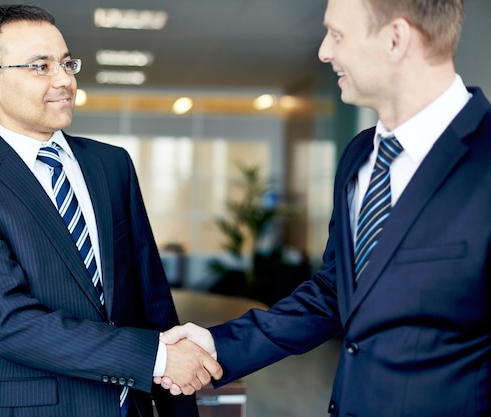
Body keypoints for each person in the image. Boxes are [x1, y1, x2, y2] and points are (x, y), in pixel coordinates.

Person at [156, 0, 491, 415]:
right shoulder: (359, 156)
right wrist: (217, 345)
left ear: (395, 39)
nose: (324, 52)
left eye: (337, 34)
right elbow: (335, 292)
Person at [0, 4, 220, 417]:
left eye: (67, 63)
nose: (64, 80)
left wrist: (177, 406)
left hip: (128, 406)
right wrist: (155, 359)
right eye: (40, 67)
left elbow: (150, 298)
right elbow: (10, 324)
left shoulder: (111, 164)